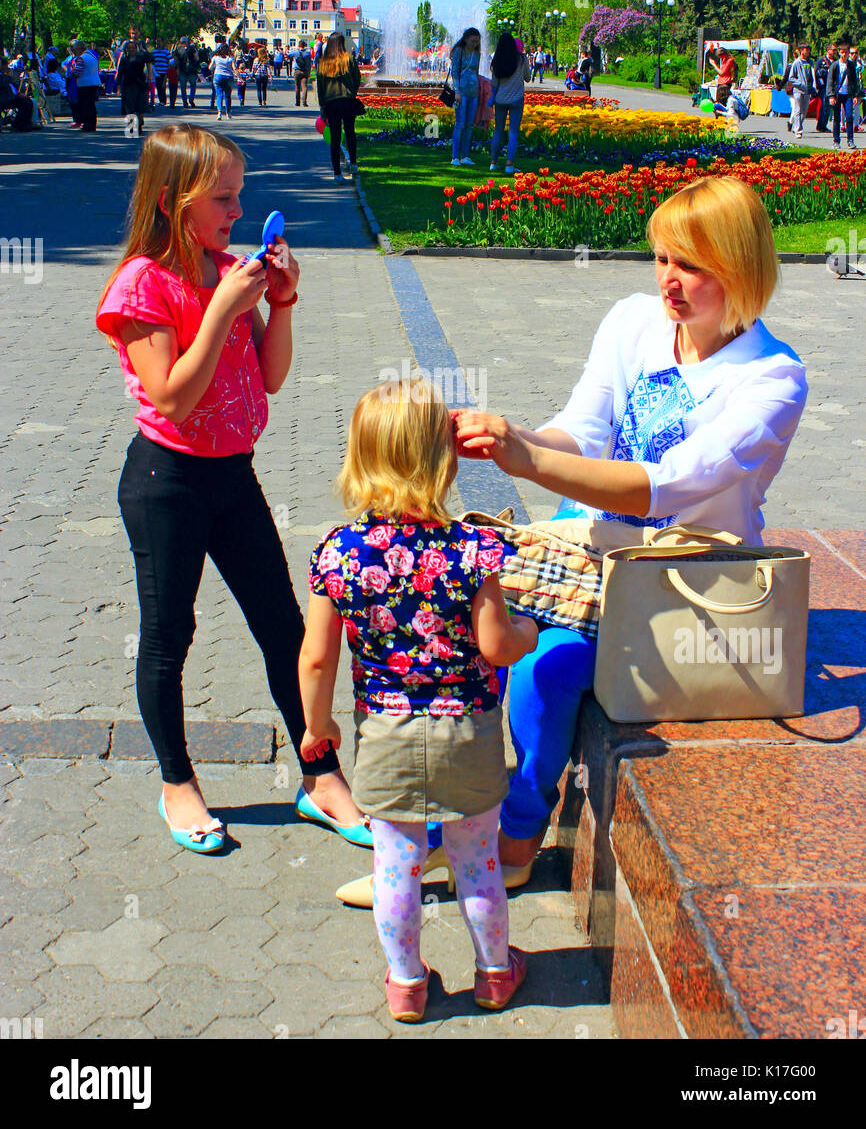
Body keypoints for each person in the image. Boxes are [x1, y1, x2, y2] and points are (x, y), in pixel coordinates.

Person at [455, 175, 808, 875]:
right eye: (662, 259)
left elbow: (665, 486)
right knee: (473, 622)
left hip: (673, 577)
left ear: (741, 270)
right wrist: (507, 437)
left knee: (543, 668)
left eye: (692, 266)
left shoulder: (773, 379)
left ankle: (516, 841)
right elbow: (583, 430)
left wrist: (523, 461)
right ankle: (453, 810)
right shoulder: (633, 321)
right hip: (589, 535)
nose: (669, 282)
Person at [95, 124, 370, 855]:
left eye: (239, 195)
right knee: (169, 634)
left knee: (284, 626)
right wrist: (219, 309)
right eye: (222, 198)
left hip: (233, 475)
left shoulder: (226, 269)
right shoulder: (141, 286)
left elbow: (272, 377)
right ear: (169, 200)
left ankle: (321, 776)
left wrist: (280, 303)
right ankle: (177, 783)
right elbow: (173, 397)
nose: (237, 212)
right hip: (167, 481)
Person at [299, 378, 535, 1022]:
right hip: (469, 732)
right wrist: (527, 631)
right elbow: (495, 645)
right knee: (476, 861)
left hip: (385, 732)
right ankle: (493, 973)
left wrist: (316, 730)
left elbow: (317, 658)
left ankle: (405, 984)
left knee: (396, 866)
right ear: (446, 461)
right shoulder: (473, 549)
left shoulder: (339, 552)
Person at [316, 31, 361, 182]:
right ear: (342, 44)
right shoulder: (349, 59)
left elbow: (320, 86)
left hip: (331, 102)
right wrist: (352, 93)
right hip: (347, 101)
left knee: (335, 137)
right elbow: (357, 78)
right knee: (350, 133)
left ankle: (337, 173)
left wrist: (322, 106)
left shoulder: (323, 62)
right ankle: (353, 164)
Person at [488, 32, 529, 174]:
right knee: (513, 132)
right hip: (516, 99)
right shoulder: (521, 59)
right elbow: (528, 77)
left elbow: (493, 82)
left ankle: (493, 162)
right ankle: (509, 164)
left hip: (500, 99)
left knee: (498, 130)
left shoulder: (496, 60)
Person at [450, 26, 482, 167]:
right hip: (461, 93)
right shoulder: (459, 51)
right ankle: (455, 157)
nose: (475, 44)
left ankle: (465, 156)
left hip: (474, 92)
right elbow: (454, 71)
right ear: (466, 39)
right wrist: (456, 91)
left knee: (469, 125)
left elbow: (476, 72)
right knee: (460, 124)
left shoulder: (477, 54)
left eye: (477, 41)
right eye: (473, 41)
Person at [116, 29, 152, 137]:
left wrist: (143, 50)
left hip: (140, 84)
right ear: (127, 50)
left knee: (139, 107)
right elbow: (120, 73)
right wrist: (118, 87)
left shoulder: (141, 58)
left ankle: (139, 124)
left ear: (136, 49)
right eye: (129, 48)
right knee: (129, 107)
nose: (131, 50)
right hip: (128, 85)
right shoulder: (125, 60)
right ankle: (131, 128)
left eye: (133, 48)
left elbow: (150, 59)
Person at [827, 43, 859, 150]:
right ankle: (836, 140)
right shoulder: (835, 65)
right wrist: (831, 95)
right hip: (837, 94)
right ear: (839, 53)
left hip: (848, 94)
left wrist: (855, 95)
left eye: (846, 52)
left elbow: (854, 81)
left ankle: (850, 140)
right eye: (842, 52)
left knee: (849, 117)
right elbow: (830, 81)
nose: (844, 54)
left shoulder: (851, 65)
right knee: (837, 118)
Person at [783, 44, 816, 140]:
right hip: (798, 90)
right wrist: (800, 84)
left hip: (807, 91)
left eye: (809, 50)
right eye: (806, 50)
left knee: (804, 111)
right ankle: (798, 130)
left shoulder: (810, 62)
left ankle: (796, 125)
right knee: (797, 110)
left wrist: (813, 86)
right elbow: (791, 78)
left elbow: (812, 75)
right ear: (801, 50)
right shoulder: (796, 63)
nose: (808, 52)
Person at [69, 39, 101, 133]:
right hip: (94, 82)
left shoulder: (81, 58)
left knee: (85, 106)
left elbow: (77, 72)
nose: (74, 52)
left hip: (85, 84)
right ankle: (92, 125)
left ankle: (87, 125)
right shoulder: (92, 55)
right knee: (91, 105)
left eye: (74, 50)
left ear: (78, 49)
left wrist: (71, 70)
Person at [210, 43, 236, 121]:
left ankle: (219, 112)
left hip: (218, 76)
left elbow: (210, 67)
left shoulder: (216, 57)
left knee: (219, 95)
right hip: (229, 77)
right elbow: (234, 68)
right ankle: (228, 113)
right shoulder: (230, 58)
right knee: (228, 95)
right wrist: (240, 77)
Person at [814, 43, 836, 134]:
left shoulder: (835, 61)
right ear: (828, 50)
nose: (834, 52)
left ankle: (824, 125)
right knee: (823, 106)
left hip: (832, 87)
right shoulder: (821, 61)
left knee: (828, 108)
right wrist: (818, 86)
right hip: (823, 87)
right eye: (833, 49)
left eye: (835, 50)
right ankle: (820, 125)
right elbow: (816, 73)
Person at [294, 39, 312, 106]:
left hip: (297, 71)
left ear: (299, 45)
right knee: (304, 87)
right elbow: (309, 63)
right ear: (305, 46)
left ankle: (297, 102)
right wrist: (309, 72)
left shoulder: (296, 52)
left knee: (297, 86)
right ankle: (304, 102)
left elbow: (288, 55)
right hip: (305, 71)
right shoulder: (308, 53)